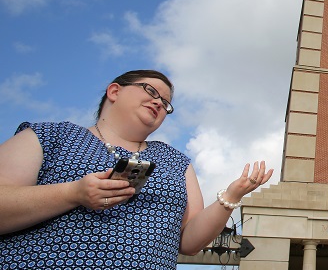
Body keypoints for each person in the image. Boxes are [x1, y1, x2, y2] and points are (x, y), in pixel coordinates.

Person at [0, 70, 273, 269]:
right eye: (151, 91)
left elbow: (189, 242)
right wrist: (73, 194)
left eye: (165, 104)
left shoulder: (176, 161)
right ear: (114, 91)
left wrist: (231, 197)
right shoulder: (50, 135)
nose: (159, 103)